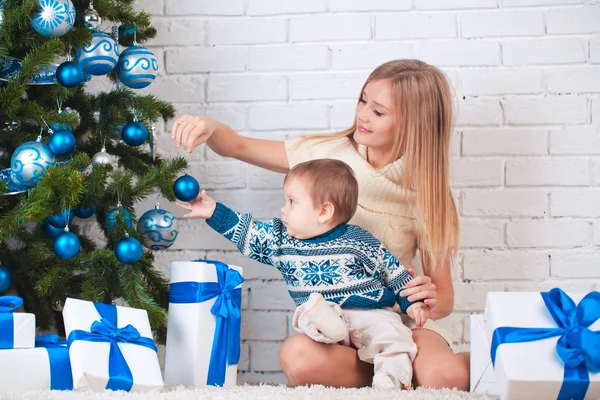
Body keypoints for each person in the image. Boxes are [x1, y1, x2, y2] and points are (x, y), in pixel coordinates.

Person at [170, 59, 469, 390]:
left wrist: (427, 298)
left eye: (379, 112)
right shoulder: (325, 156)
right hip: (335, 330)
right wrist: (210, 127)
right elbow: (237, 146)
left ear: (415, 125)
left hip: (398, 324)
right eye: (362, 100)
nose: (362, 115)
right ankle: (394, 376)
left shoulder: (427, 196)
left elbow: (444, 299)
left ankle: (417, 366)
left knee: (445, 378)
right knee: (299, 357)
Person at [176, 159, 429, 390]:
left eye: (292, 202)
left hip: (368, 313)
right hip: (324, 322)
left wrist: (411, 303)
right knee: (307, 315)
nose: (283, 210)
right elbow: (249, 232)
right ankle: (328, 323)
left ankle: (391, 377)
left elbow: (392, 270)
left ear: (324, 212)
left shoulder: (358, 241)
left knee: (391, 334)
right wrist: (213, 211)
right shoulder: (282, 242)